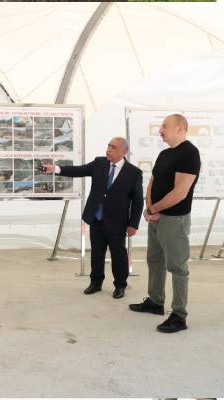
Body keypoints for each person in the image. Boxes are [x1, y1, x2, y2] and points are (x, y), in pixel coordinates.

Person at [44, 137, 143, 298]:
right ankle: (95, 282)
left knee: (118, 254)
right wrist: (56, 168)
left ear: (123, 152)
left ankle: (120, 285)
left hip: (117, 221)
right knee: (97, 252)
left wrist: (134, 224)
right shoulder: (99, 163)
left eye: (113, 147)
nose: (109, 149)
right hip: (96, 218)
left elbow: (138, 201)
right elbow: (78, 170)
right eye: (108, 145)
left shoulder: (134, 173)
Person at [129, 114, 201, 333]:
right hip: (157, 217)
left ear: (180, 128)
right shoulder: (164, 153)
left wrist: (154, 209)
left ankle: (179, 316)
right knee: (155, 260)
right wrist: (149, 207)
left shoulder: (189, 153)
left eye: (164, 126)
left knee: (177, 267)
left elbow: (180, 193)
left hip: (174, 220)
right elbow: (152, 182)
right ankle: (155, 302)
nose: (160, 130)